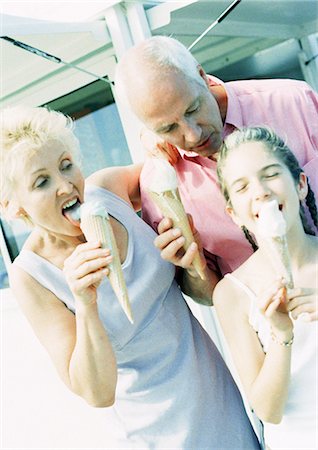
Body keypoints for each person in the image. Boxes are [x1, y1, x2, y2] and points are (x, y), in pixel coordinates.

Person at [0, 105, 262, 449]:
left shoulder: (108, 190)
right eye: (42, 181)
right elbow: (96, 393)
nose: (66, 186)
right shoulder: (31, 276)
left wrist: (190, 254)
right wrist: (86, 303)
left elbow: (174, 168)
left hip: (221, 402)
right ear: (14, 207)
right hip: (154, 436)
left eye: (66, 165)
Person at [114, 35, 318, 288]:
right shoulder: (160, 189)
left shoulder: (296, 103)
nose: (192, 134)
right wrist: (192, 267)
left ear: (202, 76)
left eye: (192, 109)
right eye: (168, 128)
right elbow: (210, 295)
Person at [213, 126, 318, 449]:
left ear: (300, 185)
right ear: (234, 214)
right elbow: (268, 411)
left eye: (270, 174)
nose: (260, 192)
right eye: (242, 187)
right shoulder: (232, 293)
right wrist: (282, 335)